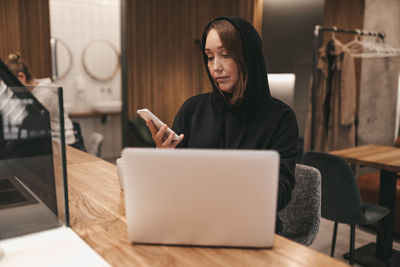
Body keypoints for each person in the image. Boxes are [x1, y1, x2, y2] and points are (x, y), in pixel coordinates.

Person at [147, 17, 298, 233]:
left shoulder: (280, 118)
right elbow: (172, 188)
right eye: (209, 57)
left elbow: (281, 194)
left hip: (251, 229)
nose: (215, 67)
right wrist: (163, 158)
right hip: (195, 223)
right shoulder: (192, 110)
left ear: (248, 56)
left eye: (225, 55)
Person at [6, 52, 83, 149]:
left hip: (64, 144)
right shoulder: (32, 91)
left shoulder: (45, 93)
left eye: (11, 86)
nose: (11, 91)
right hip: (50, 142)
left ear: (21, 76)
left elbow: (28, 122)